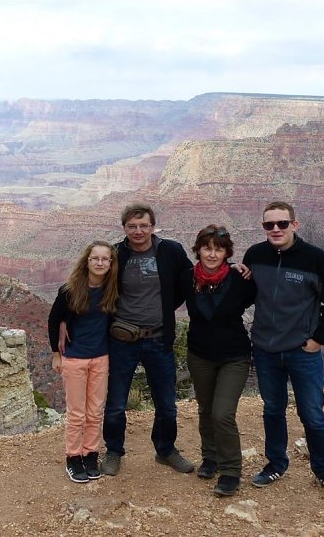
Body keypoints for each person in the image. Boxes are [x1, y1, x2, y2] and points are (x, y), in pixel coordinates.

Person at [242, 201, 324, 498]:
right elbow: (248, 297)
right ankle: (276, 464)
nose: (275, 229)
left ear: (294, 225)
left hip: (303, 350)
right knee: (272, 409)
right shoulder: (255, 255)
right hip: (265, 348)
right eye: (269, 225)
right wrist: (236, 277)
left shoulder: (315, 258)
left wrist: (319, 340)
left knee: (312, 412)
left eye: (282, 224)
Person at [99, 203, 196, 476]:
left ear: (153, 227)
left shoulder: (170, 251)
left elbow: (190, 281)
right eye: (132, 226)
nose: (138, 231)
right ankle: (114, 451)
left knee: (166, 403)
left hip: (158, 339)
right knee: (116, 403)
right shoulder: (116, 254)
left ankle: (166, 450)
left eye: (143, 226)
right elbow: (93, 284)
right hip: (122, 339)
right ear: (124, 228)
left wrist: (233, 270)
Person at [180, 224, 256, 497]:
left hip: (234, 356)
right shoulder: (187, 278)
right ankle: (210, 458)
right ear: (198, 250)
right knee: (205, 409)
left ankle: (230, 471)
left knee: (222, 413)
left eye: (218, 249)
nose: (212, 254)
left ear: (227, 253)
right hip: (200, 354)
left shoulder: (240, 279)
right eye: (207, 248)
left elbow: (269, 299)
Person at [48, 240, 119, 483]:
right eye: (95, 258)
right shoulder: (70, 290)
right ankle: (73, 457)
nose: (100, 262)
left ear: (111, 264)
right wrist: (56, 354)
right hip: (75, 358)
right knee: (77, 413)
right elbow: (53, 320)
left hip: (101, 358)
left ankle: (90, 454)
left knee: (95, 411)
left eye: (105, 259)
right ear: (86, 261)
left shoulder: (112, 289)